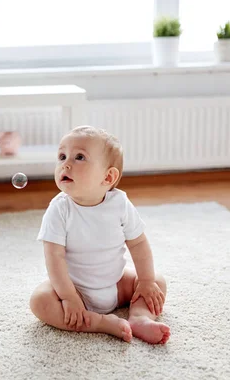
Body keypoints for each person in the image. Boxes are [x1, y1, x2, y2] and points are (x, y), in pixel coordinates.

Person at [30, 125, 170, 344]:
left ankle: (140, 318)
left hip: (116, 284)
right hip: (75, 289)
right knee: (40, 301)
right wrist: (68, 297)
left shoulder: (120, 204)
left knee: (156, 282)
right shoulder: (59, 209)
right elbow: (53, 258)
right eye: (62, 156)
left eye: (79, 157)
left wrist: (145, 280)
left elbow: (138, 243)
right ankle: (98, 323)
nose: (65, 163)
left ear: (108, 177)